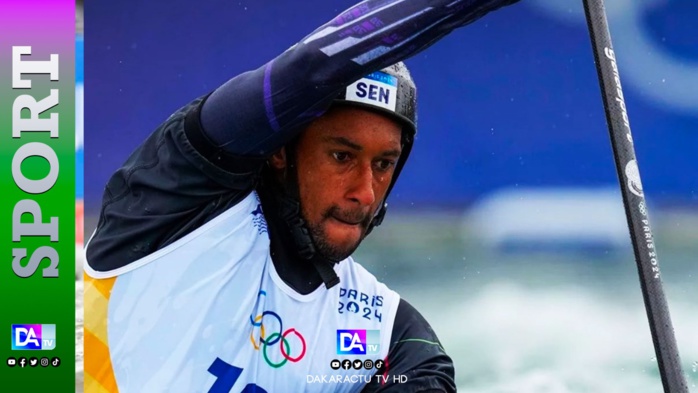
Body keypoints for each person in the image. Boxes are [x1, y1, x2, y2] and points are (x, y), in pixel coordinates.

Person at [83, 0, 521, 392]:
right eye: (341, 156)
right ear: (279, 150)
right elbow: (311, 68)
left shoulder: (389, 337)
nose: (364, 192)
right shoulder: (176, 201)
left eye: (383, 164)